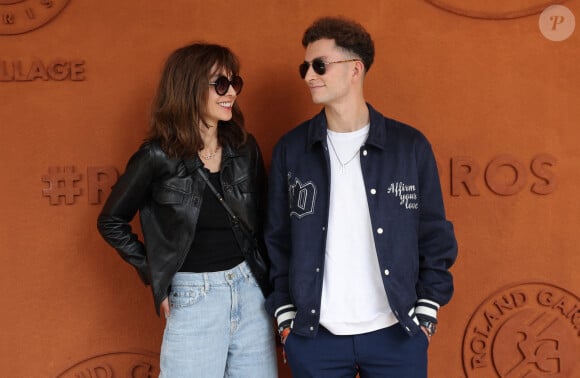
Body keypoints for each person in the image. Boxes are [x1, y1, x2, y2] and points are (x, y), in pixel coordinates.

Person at [265, 17, 458, 377]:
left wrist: (427, 311)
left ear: (355, 69)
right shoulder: (292, 150)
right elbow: (277, 240)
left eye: (319, 65)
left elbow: (433, 232)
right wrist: (286, 317)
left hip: (397, 334)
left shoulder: (409, 147)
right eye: (304, 66)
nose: (308, 75)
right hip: (313, 337)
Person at [97, 43, 277, 378]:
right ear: (189, 88)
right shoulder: (156, 157)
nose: (231, 93)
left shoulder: (243, 148)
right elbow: (111, 221)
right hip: (195, 295)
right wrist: (154, 273)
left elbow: (265, 223)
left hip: (250, 290)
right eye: (219, 85)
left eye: (234, 82)